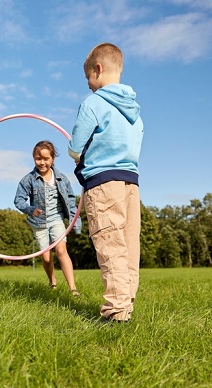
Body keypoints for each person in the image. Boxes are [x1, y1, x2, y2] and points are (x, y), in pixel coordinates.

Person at [68, 43, 144, 323]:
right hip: (131, 184)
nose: (89, 84)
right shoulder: (135, 112)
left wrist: (77, 155)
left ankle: (115, 312)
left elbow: (75, 147)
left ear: (97, 69)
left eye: (88, 77)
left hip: (103, 184)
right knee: (128, 245)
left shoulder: (93, 103)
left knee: (110, 244)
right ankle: (126, 304)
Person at [14, 140, 82, 296]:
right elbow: (18, 200)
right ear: (34, 159)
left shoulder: (62, 179)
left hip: (57, 219)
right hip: (38, 222)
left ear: (53, 159)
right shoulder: (28, 179)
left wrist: (75, 223)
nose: (42, 162)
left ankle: (73, 289)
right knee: (45, 258)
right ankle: (53, 282)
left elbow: (72, 203)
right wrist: (29, 209)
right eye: (38, 159)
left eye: (46, 159)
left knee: (61, 250)